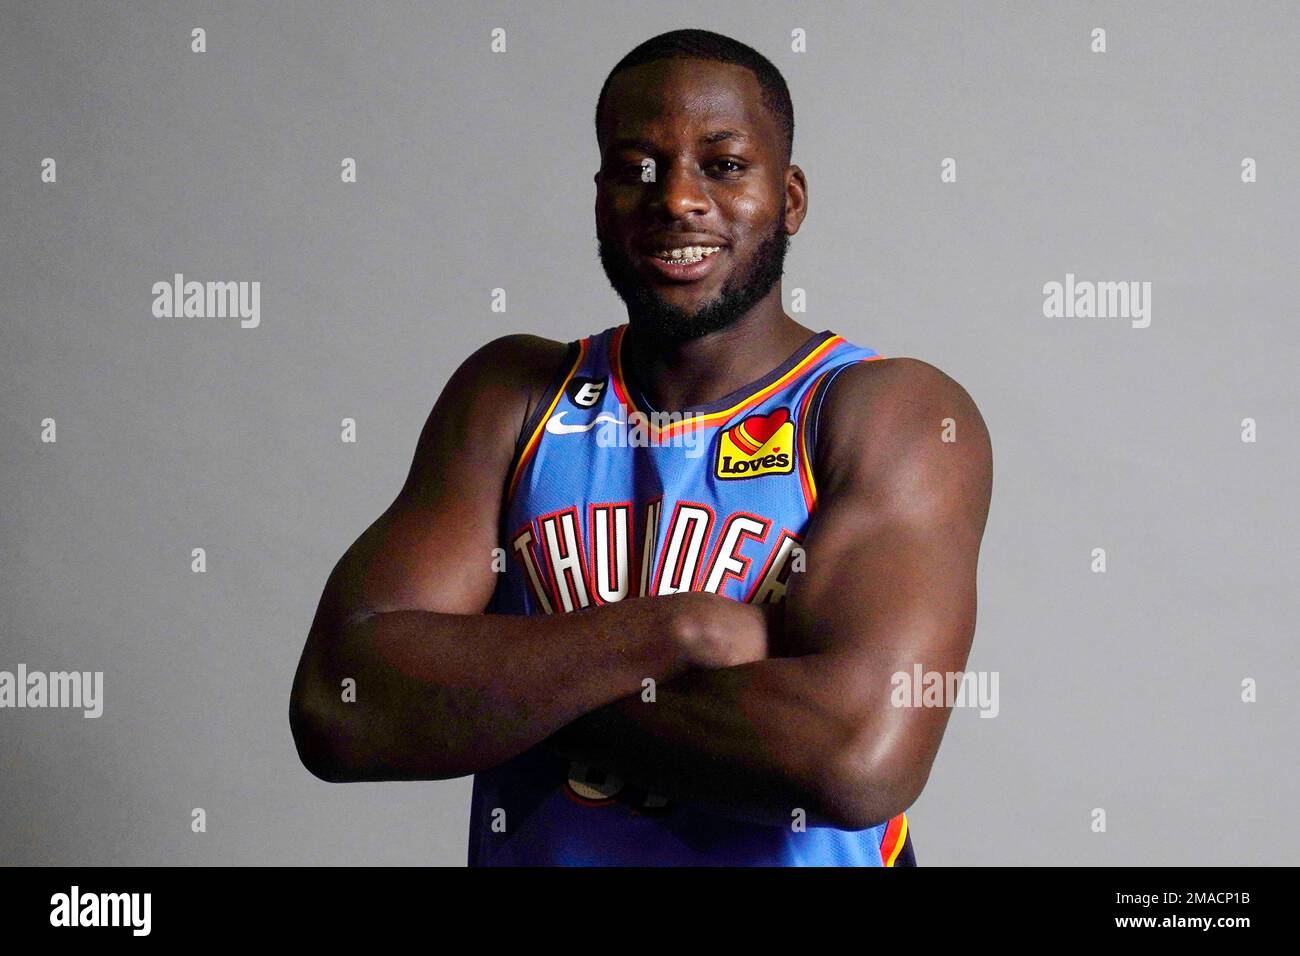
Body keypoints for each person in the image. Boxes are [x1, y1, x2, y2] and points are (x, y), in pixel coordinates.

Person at [289, 28, 992, 866]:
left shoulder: (885, 412)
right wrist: (675, 633)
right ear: (601, 201)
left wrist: (498, 692)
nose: (678, 198)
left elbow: (853, 760)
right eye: (637, 169)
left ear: (790, 198)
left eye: (723, 165)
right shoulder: (515, 395)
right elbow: (340, 702)